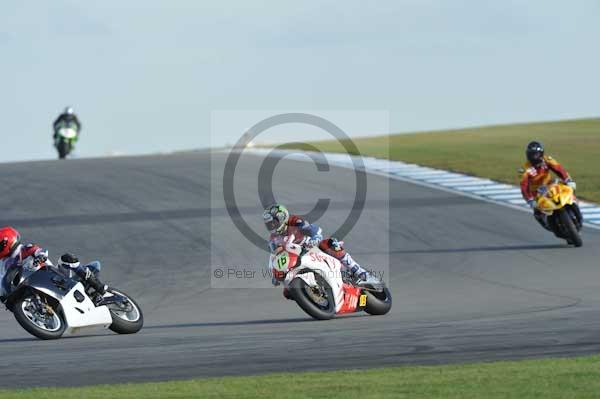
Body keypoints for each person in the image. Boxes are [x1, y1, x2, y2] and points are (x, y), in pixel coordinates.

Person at [263, 204, 375, 288]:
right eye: (269, 225)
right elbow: (273, 257)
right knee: (287, 292)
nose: (272, 226)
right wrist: (274, 273)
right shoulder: (273, 239)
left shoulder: (295, 221)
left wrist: (314, 238)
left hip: (311, 248)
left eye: (273, 223)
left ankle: (360, 272)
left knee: (331, 243)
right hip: (297, 260)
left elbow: (314, 229)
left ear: (282, 218)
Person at [0, 227, 106, 301]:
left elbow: (38, 250)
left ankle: (99, 287)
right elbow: (3, 281)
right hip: (34, 286)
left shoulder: (24, 249)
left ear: (7, 241)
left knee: (66, 259)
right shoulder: (4, 264)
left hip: (54, 276)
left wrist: (40, 255)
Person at [520, 141, 577, 230]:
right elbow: (524, 187)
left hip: (550, 185)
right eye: (532, 154)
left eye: (536, 154)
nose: (534, 157)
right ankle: (548, 225)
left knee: (568, 189)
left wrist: (568, 180)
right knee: (537, 212)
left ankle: (573, 205)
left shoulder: (547, 160)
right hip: (536, 193)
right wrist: (530, 200)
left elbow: (559, 169)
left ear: (541, 153)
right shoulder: (525, 169)